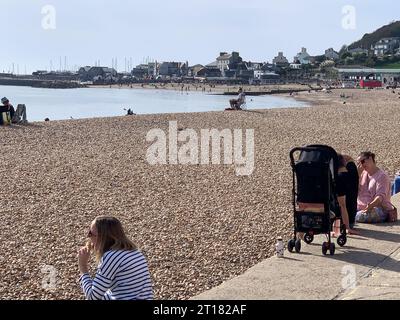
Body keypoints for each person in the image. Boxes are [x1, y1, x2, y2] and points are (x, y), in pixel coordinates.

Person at [77, 216, 154, 300]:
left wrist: (83, 266)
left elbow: (92, 296)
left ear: (103, 237)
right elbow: (116, 293)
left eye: (90, 233)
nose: (88, 237)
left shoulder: (111, 257)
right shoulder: (135, 251)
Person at [355, 151, 394, 223]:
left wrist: (370, 206)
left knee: (360, 216)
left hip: (379, 208)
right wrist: (357, 176)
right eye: (358, 163)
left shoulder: (382, 176)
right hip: (361, 207)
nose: (361, 165)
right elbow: (355, 191)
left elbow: (380, 197)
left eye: (362, 161)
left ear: (370, 159)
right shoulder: (362, 174)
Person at [334, 154, 360, 235]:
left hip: (335, 222)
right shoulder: (351, 175)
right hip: (349, 220)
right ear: (344, 163)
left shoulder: (334, 179)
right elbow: (343, 206)